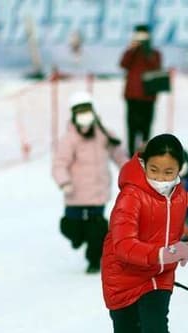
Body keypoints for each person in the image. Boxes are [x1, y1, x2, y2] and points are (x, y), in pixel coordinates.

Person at [101, 134, 188, 333]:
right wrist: (164, 254)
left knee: (155, 331)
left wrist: (178, 249)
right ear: (143, 163)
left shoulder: (179, 193)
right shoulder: (131, 195)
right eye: (154, 170)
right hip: (123, 276)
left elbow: (170, 233)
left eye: (168, 172)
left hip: (158, 275)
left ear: (180, 169)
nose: (160, 177)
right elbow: (122, 245)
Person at [52, 91, 128, 273]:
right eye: (80, 112)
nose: (84, 115)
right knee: (70, 227)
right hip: (75, 194)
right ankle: (79, 238)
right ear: (74, 115)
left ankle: (94, 260)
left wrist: (130, 173)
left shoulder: (103, 134)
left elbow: (119, 155)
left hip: (97, 194)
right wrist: (64, 182)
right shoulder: (69, 139)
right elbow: (59, 164)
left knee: (98, 229)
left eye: (87, 111)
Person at [120, 24, 162, 156]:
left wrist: (146, 49)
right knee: (131, 127)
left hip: (148, 96)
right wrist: (132, 49)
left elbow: (155, 66)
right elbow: (123, 64)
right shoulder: (131, 52)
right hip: (132, 96)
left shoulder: (154, 53)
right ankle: (131, 154)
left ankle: (145, 153)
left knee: (146, 127)